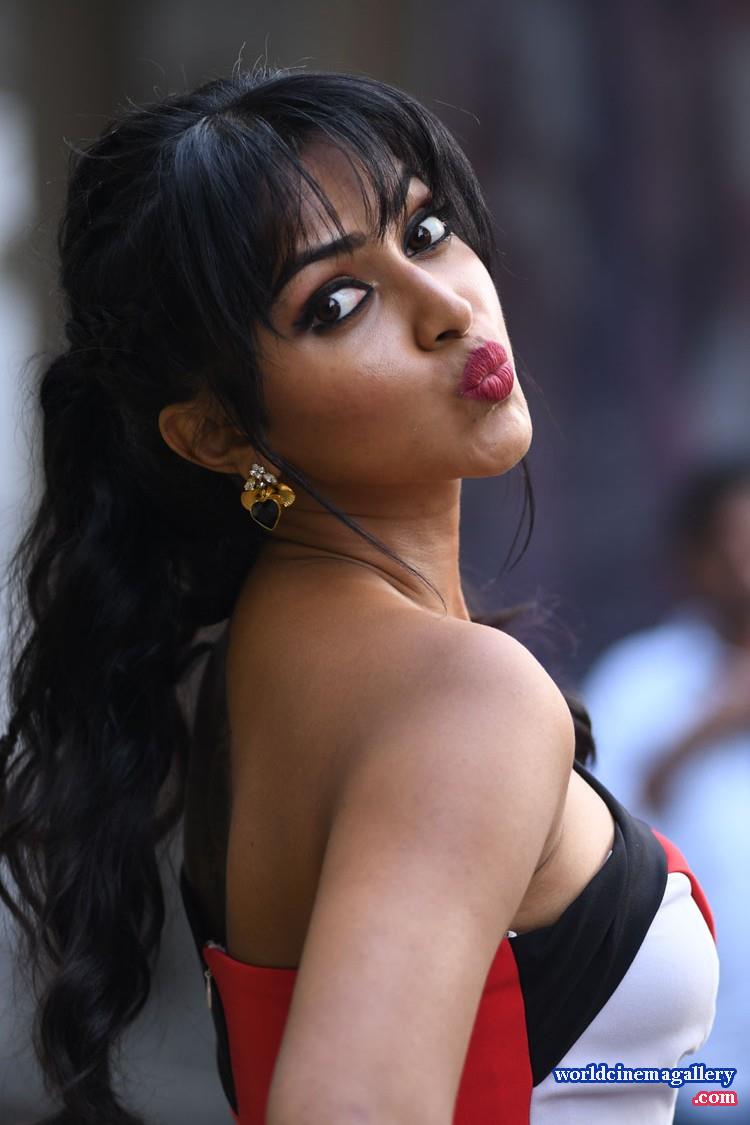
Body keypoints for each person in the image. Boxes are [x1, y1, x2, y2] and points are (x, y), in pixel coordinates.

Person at [0, 66, 718, 1125]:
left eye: (425, 232)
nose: (448, 308)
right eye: (336, 304)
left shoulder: (259, 661)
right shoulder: (459, 698)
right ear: (220, 434)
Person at [580, 458, 750, 1124]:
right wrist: (704, 731)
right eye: (736, 543)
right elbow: (594, 849)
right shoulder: (640, 678)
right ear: (696, 560)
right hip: (691, 1073)